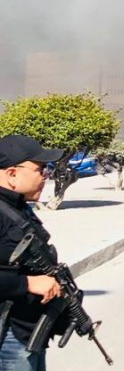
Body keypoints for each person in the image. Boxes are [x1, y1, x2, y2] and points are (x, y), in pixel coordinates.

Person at [0, 134, 65, 370]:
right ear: (12, 174)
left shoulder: (17, 206)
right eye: (40, 169)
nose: (45, 176)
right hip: (8, 337)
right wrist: (26, 283)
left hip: (27, 330)